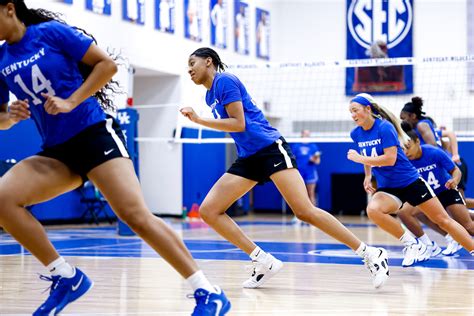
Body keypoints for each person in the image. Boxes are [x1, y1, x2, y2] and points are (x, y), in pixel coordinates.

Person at [0, 2, 229, 315]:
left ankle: (208, 291)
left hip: (93, 134)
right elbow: (1, 119)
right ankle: (66, 277)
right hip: (57, 151)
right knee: (3, 199)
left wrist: (70, 101)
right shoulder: (2, 59)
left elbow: (106, 66)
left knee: (135, 216)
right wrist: (10, 117)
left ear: (9, 9)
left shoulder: (48, 34)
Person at [181, 47, 390, 290]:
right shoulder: (210, 96)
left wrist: (198, 120)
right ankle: (263, 261)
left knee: (304, 211)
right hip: (249, 157)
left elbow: (238, 124)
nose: (189, 69)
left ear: (208, 62)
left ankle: (370, 253)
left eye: (192, 63)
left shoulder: (225, 80)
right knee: (209, 210)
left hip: (270, 148)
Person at [347, 93, 474, 267]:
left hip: (410, 182)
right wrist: (368, 175)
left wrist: (360, 158)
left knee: (444, 221)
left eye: (355, 110)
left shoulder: (384, 128)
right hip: (388, 187)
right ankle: (413, 244)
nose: (353, 115)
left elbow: (389, 159)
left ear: (368, 109)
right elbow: (368, 155)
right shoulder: (356, 134)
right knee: (374, 210)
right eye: (350, 112)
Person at [398, 129, 474, 257]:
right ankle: (429, 245)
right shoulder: (404, 161)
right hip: (427, 196)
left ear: (417, 142)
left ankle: (457, 234)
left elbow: (456, 170)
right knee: (404, 212)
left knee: (468, 226)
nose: (406, 151)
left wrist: (454, 180)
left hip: (446, 191)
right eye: (403, 148)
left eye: (408, 147)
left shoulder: (433, 152)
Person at [290, 130, 321, 207]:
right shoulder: (296, 146)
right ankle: (298, 216)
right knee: (299, 195)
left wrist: (313, 159)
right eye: (305, 134)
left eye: (308, 134)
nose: (307, 136)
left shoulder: (313, 146)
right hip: (299, 173)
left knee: (311, 193)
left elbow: (318, 162)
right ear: (302, 135)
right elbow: (291, 159)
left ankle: (314, 216)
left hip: (310, 173)